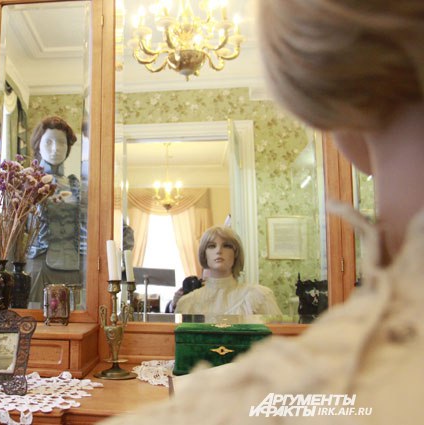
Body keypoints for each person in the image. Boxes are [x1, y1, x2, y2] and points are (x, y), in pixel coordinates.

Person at [104, 1, 424, 424]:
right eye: (212, 246)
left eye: (226, 246)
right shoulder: (191, 304)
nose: (219, 253)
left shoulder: (260, 304)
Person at [26, 116, 85, 304]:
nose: (56, 148)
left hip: (74, 268)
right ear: (38, 144)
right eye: (49, 142)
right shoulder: (27, 183)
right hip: (39, 266)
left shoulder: (77, 186)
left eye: (61, 142)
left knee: (75, 316)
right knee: (36, 315)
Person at [175, 226, 282, 316]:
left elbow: (278, 333)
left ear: (236, 253)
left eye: (226, 246)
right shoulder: (187, 303)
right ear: (204, 254)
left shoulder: (260, 297)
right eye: (211, 246)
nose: (219, 250)